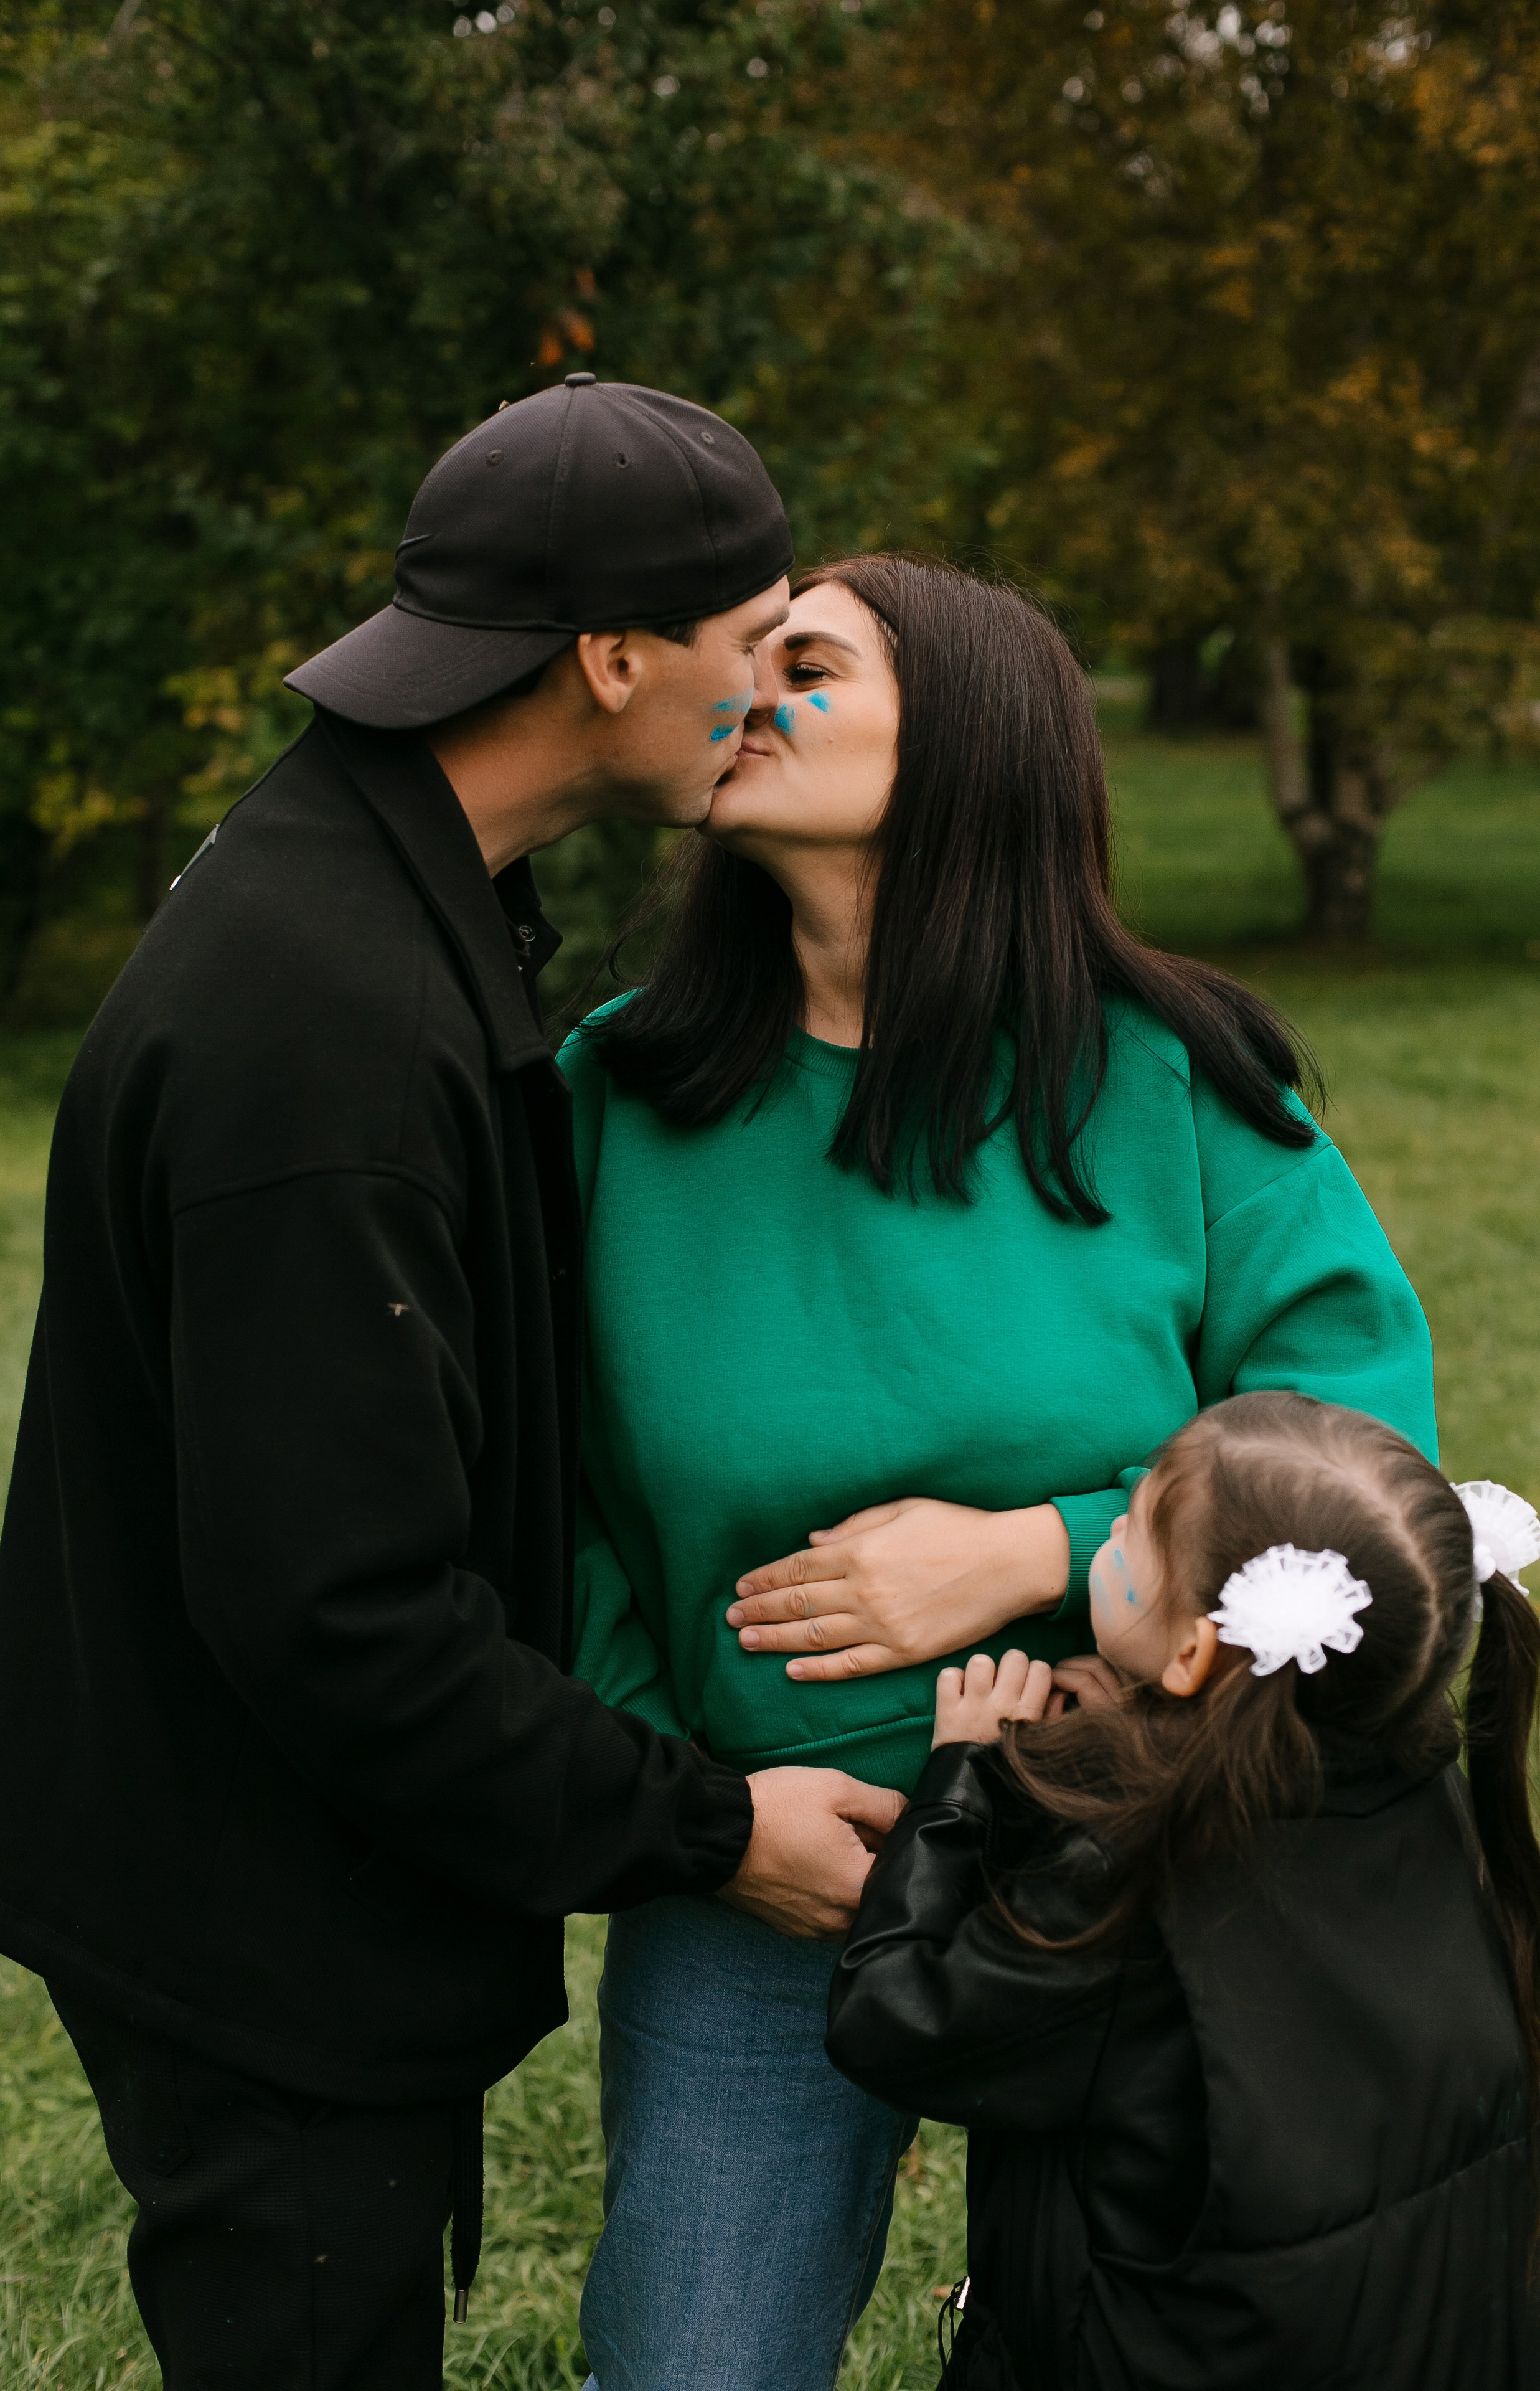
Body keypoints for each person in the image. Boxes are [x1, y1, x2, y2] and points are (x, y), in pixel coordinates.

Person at [0, 377, 904, 2391]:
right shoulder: (335, 1031)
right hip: (254, 1918)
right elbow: (345, 1622)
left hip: (274, 1867)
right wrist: (717, 1826)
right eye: (748, 645)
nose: (767, 688)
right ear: (611, 657)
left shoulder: (382, 880)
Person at [559, 554, 1440, 2391]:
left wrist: (1045, 1548)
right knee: (691, 2367)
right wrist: (702, 1805)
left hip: (1155, 1855)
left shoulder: (1175, 1083)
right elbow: (540, 1499)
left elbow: (1360, 1449)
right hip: (771, 1872)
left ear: (969, 741)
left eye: (807, 661)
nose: (747, 688)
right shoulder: (611, 1096)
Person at [826, 1390, 1540, 2390]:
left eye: (1129, 1530)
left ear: (1197, 1652)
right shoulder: (1419, 1774)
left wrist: (959, 1780)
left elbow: (896, 2019)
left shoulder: (1139, 1871)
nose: (1107, 1532)